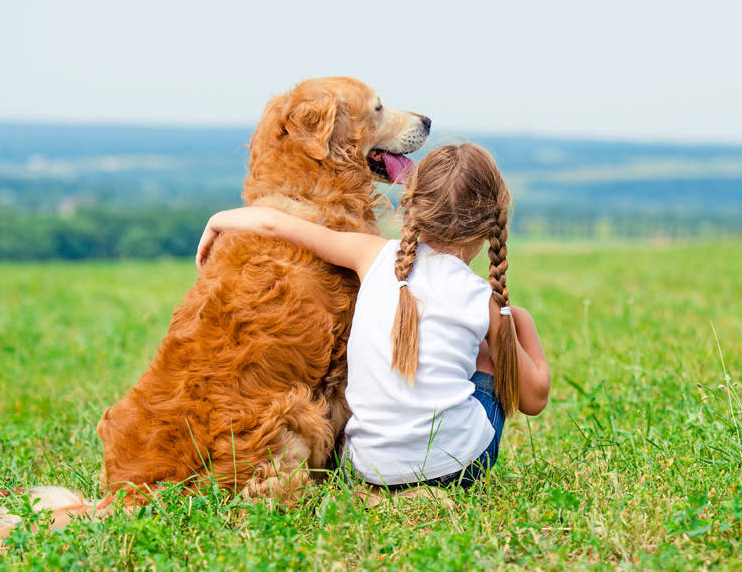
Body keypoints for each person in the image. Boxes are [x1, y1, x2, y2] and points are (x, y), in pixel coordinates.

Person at [196, 143, 550, 490]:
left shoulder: (370, 255)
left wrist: (216, 221)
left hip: (364, 468)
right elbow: (534, 399)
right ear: (491, 223)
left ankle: (389, 486)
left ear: (411, 204)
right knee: (486, 352)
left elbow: (273, 223)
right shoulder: (483, 300)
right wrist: (518, 321)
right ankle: (435, 464)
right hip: (456, 469)